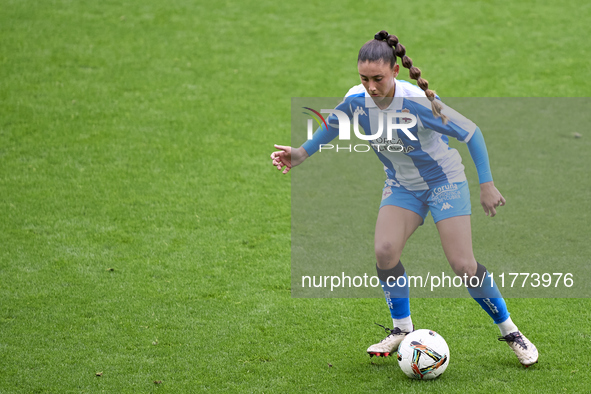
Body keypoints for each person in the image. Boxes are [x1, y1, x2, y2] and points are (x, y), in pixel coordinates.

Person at [271, 30, 538, 367]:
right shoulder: (356, 99)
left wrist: (486, 183)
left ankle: (511, 331)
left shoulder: (418, 103)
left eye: (378, 78)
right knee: (384, 251)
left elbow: (471, 131)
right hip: (402, 186)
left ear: (395, 71)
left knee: (464, 266)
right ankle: (401, 328)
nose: (370, 86)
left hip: (444, 182)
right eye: (364, 78)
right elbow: (335, 123)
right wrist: (301, 153)